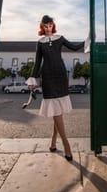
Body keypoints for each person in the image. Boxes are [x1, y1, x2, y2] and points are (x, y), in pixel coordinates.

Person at [28, 15, 85, 161]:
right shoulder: (40, 43)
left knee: (57, 111)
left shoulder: (60, 38)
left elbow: (74, 47)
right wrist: (32, 79)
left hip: (60, 75)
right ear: (42, 27)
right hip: (47, 77)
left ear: (53, 25)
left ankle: (53, 140)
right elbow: (37, 62)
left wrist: (88, 40)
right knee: (56, 110)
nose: (48, 28)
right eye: (45, 26)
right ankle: (66, 144)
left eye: (50, 25)